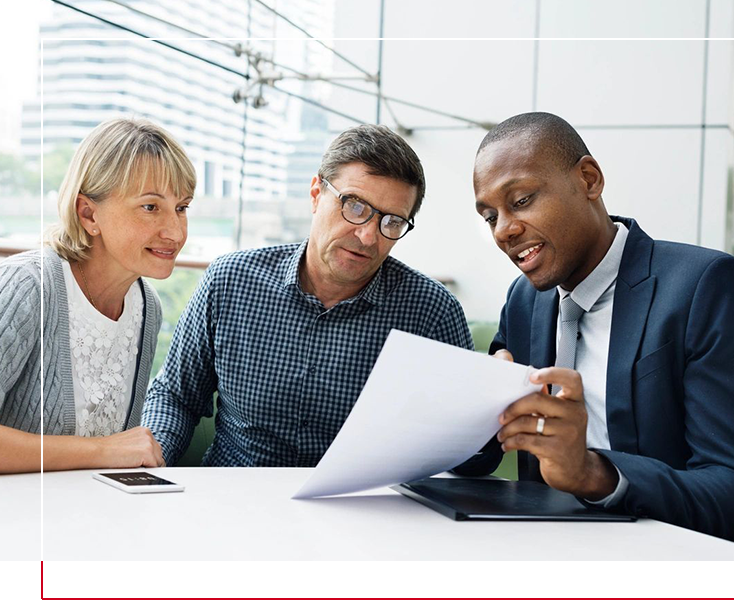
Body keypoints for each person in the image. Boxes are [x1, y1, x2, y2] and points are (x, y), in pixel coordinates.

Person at [459, 112, 734, 549]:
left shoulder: (706, 286)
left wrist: (594, 474)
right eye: (490, 216)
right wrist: (464, 412)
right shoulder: (524, 300)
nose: (505, 230)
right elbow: (483, 455)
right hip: (536, 550)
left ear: (588, 179)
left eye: (523, 199)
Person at [142, 124, 473, 467]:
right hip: (233, 502)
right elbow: (175, 397)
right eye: (355, 206)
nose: (368, 236)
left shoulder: (432, 312)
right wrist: (150, 461)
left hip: (361, 512)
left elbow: (465, 449)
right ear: (317, 193)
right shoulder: (230, 281)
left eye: (391, 222)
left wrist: (488, 416)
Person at [0, 118, 196, 473]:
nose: (175, 231)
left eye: (181, 207)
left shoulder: (146, 307)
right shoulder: (27, 286)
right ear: (89, 214)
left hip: (91, 518)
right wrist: (101, 452)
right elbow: (109, 451)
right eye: (150, 207)